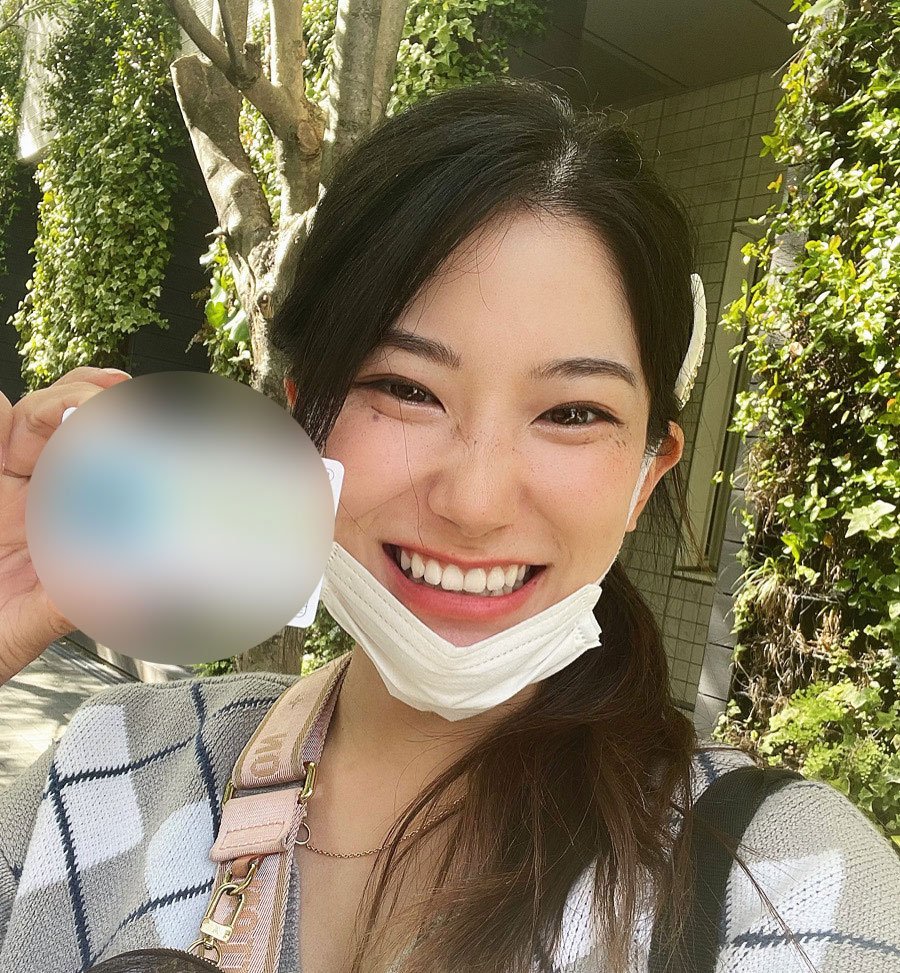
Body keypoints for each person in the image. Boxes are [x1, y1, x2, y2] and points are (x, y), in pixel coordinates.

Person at [0, 79, 898, 973]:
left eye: (574, 412)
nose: (475, 501)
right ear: (301, 426)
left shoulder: (788, 890)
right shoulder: (100, 775)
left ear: (645, 475)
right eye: (406, 389)